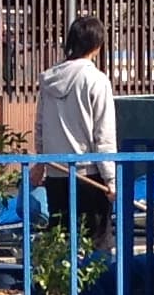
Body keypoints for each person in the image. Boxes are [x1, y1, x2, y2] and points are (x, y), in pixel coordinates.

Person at [32, 14, 117, 216]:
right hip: (89, 175)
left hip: (56, 172)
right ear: (97, 45)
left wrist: (42, 163)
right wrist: (111, 179)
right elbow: (103, 134)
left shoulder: (49, 81)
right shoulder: (96, 80)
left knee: (61, 241)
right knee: (95, 242)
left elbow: (40, 126)